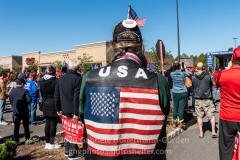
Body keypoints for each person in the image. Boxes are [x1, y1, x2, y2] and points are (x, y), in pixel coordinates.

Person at [79, 19, 170, 160]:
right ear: (141, 47)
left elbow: (81, 116)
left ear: (112, 47)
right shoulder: (158, 80)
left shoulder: (89, 77)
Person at [54, 58, 82, 159]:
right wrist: (76, 113)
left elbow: (56, 94)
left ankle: (67, 150)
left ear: (69, 66)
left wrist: (58, 108)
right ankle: (72, 153)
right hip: (73, 109)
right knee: (73, 131)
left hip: (64, 108)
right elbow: (76, 97)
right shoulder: (78, 78)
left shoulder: (60, 78)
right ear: (77, 68)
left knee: (67, 130)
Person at [217, 47, 240, 160]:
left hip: (227, 116)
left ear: (232, 58)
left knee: (226, 148)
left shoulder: (222, 74)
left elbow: (215, 81)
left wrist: (229, 68)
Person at [192, 62, 217, 138]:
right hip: (207, 98)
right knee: (211, 115)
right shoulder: (208, 76)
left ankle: (201, 133)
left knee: (199, 116)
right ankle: (213, 131)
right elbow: (211, 85)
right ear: (203, 67)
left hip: (198, 98)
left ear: (196, 67)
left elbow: (193, 86)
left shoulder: (193, 77)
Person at [40, 65, 61, 150]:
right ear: (54, 71)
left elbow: (41, 93)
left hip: (45, 102)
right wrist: (58, 106)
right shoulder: (56, 81)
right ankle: (51, 143)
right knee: (53, 124)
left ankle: (47, 142)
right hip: (53, 103)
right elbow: (57, 94)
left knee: (47, 123)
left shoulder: (42, 81)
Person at [9, 78, 31, 143]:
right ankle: (27, 139)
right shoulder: (24, 91)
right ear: (22, 84)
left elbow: (10, 101)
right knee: (26, 127)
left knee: (16, 127)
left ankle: (16, 140)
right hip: (24, 111)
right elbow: (29, 100)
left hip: (15, 111)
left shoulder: (12, 92)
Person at [170, 62, 189, 129]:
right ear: (179, 66)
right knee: (181, 109)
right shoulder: (182, 73)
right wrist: (184, 68)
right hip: (183, 91)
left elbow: (171, 71)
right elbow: (188, 74)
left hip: (175, 91)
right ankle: (181, 123)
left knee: (175, 107)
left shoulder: (171, 74)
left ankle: (174, 122)